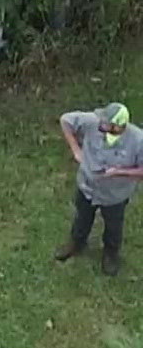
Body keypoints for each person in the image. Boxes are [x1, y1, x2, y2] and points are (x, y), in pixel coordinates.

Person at [55, 102, 143, 276]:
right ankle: (77, 243)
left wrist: (119, 172)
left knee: (113, 225)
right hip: (86, 186)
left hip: (114, 195)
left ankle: (111, 254)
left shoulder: (138, 140)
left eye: (105, 123)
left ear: (118, 126)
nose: (100, 124)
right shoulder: (92, 121)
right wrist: (75, 149)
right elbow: (65, 120)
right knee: (82, 216)